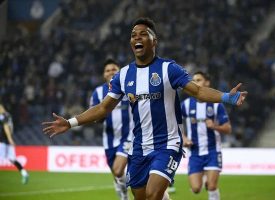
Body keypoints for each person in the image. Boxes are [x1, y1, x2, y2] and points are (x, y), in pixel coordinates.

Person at [42, 17, 247, 200]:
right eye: (133, 35)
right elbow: (103, 108)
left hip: (167, 144)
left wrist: (227, 97)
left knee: (153, 194)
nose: (137, 38)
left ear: (153, 41)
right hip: (139, 147)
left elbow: (199, 92)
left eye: (143, 34)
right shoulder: (123, 75)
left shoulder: (168, 69)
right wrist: (70, 122)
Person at [181, 71, 232, 200]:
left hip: (213, 150)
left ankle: (210, 182)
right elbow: (175, 124)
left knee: (212, 186)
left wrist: (215, 126)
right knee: (196, 188)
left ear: (207, 83)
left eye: (198, 80)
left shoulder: (216, 105)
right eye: (193, 80)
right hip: (195, 152)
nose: (194, 83)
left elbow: (228, 128)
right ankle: (205, 178)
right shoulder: (186, 105)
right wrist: (184, 138)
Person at [89, 58, 133, 200]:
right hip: (109, 140)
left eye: (114, 69)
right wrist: (100, 116)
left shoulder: (129, 87)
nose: (110, 72)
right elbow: (94, 116)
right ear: (104, 75)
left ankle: (127, 191)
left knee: (118, 170)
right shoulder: (97, 92)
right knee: (117, 175)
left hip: (129, 136)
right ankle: (124, 193)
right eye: (107, 70)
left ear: (119, 71)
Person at [0, 104, 29, 184]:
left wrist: (10, 139)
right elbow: (10, 127)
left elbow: (6, 127)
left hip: (3, 140)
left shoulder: (3, 116)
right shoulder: (8, 115)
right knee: (12, 159)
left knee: (11, 159)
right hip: (6, 140)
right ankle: (24, 173)